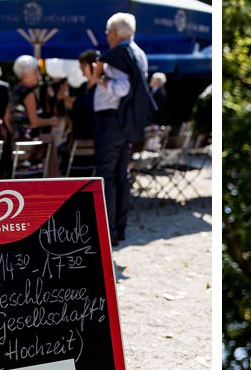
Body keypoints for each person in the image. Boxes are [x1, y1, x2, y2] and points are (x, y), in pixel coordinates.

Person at [91, 13, 153, 242]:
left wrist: (99, 77)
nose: (106, 37)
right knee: (121, 175)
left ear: (115, 33)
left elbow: (122, 88)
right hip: (127, 122)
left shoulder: (118, 54)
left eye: (107, 33)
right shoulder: (139, 53)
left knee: (106, 175)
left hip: (113, 120)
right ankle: (118, 228)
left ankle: (109, 231)